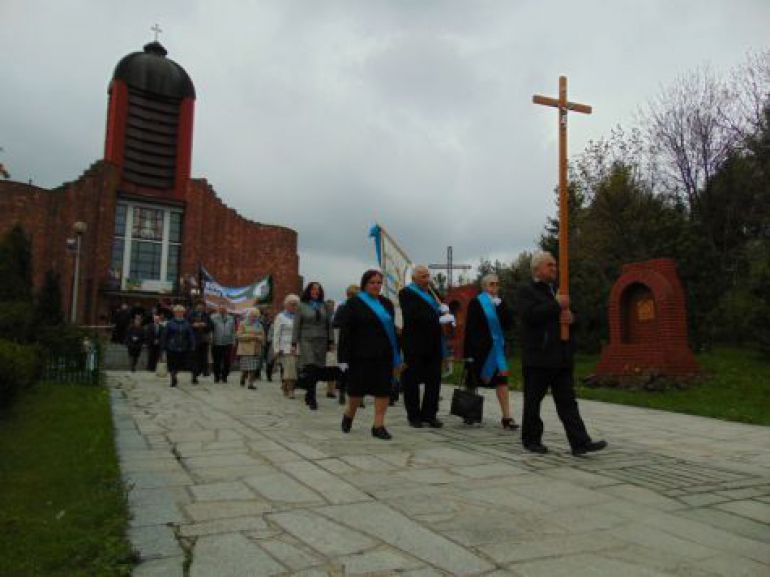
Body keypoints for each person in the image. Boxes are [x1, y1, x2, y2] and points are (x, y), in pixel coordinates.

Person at [518, 251, 607, 456]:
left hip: (562, 356)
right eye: (550, 265)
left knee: (567, 402)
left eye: (555, 265)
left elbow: (572, 320)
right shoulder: (527, 291)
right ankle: (531, 440)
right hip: (538, 357)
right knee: (533, 401)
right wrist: (556, 304)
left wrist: (572, 319)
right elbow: (530, 316)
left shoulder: (559, 291)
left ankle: (580, 442)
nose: (554, 269)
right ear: (537, 269)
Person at [338, 270, 403, 440]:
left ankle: (378, 426)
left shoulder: (387, 304)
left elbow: (392, 332)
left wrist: (398, 353)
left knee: (383, 390)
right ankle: (349, 415)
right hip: (360, 355)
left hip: (383, 355)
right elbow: (346, 333)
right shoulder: (353, 303)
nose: (376, 285)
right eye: (372, 282)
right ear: (364, 284)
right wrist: (343, 359)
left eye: (379, 282)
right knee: (356, 392)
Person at [398, 265, 455, 428]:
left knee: (434, 380)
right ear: (414, 279)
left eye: (427, 276)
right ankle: (414, 416)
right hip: (414, 343)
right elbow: (413, 315)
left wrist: (445, 311)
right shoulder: (406, 293)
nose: (426, 279)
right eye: (423, 276)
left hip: (434, 342)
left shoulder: (432, 293)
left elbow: (441, 309)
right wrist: (437, 317)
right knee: (412, 381)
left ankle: (430, 414)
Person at [463, 274, 519, 430]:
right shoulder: (476, 302)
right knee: (472, 381)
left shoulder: (500, 302)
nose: (494, 287)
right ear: (484, 286)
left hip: (496, 350)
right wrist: (468, 354)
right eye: (491, 284)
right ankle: (469, 413)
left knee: (502, 381)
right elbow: (470, 328)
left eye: (497, 284)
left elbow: (509, 325)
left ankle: (507, 417)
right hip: (480, 350)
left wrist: (502, 308)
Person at [292, 282, 334, 410]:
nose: (315, 291)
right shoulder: (301, 306)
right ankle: (312, 397)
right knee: (310, 367)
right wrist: (294, 343)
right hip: (306, 340)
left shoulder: (325, 306)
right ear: (308, 291)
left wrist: (331, 341)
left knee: (316, 369)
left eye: (318, 290)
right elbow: (296, 325)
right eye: (313, 289)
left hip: (321, 340)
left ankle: (309, 394)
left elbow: (329, 324)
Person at [332, 285, 360, 406]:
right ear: (348, 295)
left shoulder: (361, 308)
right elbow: (335, 323)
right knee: (344, 368)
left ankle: (358, 396)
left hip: (358, 342)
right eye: (353, 295)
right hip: (345, 342)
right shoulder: (342, 307)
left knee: (358, 370)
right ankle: (342, 391)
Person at [272, 294, 300, 398]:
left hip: (299, 346)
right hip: (286, 347)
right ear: (286, 305)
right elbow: (276, 334)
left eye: (296, 304)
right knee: (290, 369)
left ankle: (285, 385)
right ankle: (291, 390)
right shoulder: (280, 317)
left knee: (295, 369)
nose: (294, 306)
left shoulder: (299, 316)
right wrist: (276, 348)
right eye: (292, 304)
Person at [162, 305, 196, 387]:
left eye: (181, 312)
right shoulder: (170, 323)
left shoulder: (186, 323)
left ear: (183, 313)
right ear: (174, 313)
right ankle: (173, 378)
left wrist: (192, 345)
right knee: (172, 364)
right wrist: (164, 346)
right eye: (177, 312)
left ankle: (175, 374)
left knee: (180, 364)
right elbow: (165, 335)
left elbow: (190, 335)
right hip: (172, 347)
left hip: (183, 347)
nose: (179, 313)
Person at [236, 307, 265, 390]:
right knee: (245, 368)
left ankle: (250, 384)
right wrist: (252, 336)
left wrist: (260, 339)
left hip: (256, 349)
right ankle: (242, 377)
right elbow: (239, 336)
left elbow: (263, 336)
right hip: (246, 350)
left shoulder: (259, 325)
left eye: (256, 316)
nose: (254, 318)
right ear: (249, 315)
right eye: (253, 316)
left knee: (253, 368)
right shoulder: (243, 324)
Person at [210, 304, 236, 383]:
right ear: (218, 309)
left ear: (226, 310)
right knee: (217, 361)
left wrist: (233, 340)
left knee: (227, 361)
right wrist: (211, 339)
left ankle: (225, 376)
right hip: (216, 342)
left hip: (228, 343)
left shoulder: (231, 318)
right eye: (221, 309)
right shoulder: (213, 317)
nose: (222, 310)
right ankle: (217, 376)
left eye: (224, 309)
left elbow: (233, 330)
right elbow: (211, 330)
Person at [188, 301, 213, 383]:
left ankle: (201, 371)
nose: (201, 308)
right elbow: (187, 325)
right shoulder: (191, 314)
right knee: (194, 358)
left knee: (203, 358)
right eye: (199, 306)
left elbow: (211, 326)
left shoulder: (206, 315)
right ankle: (194, 375)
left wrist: (204, 325)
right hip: (194, 340)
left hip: (203, 340)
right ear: (196, 307)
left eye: (202, 306)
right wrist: (193, 325)